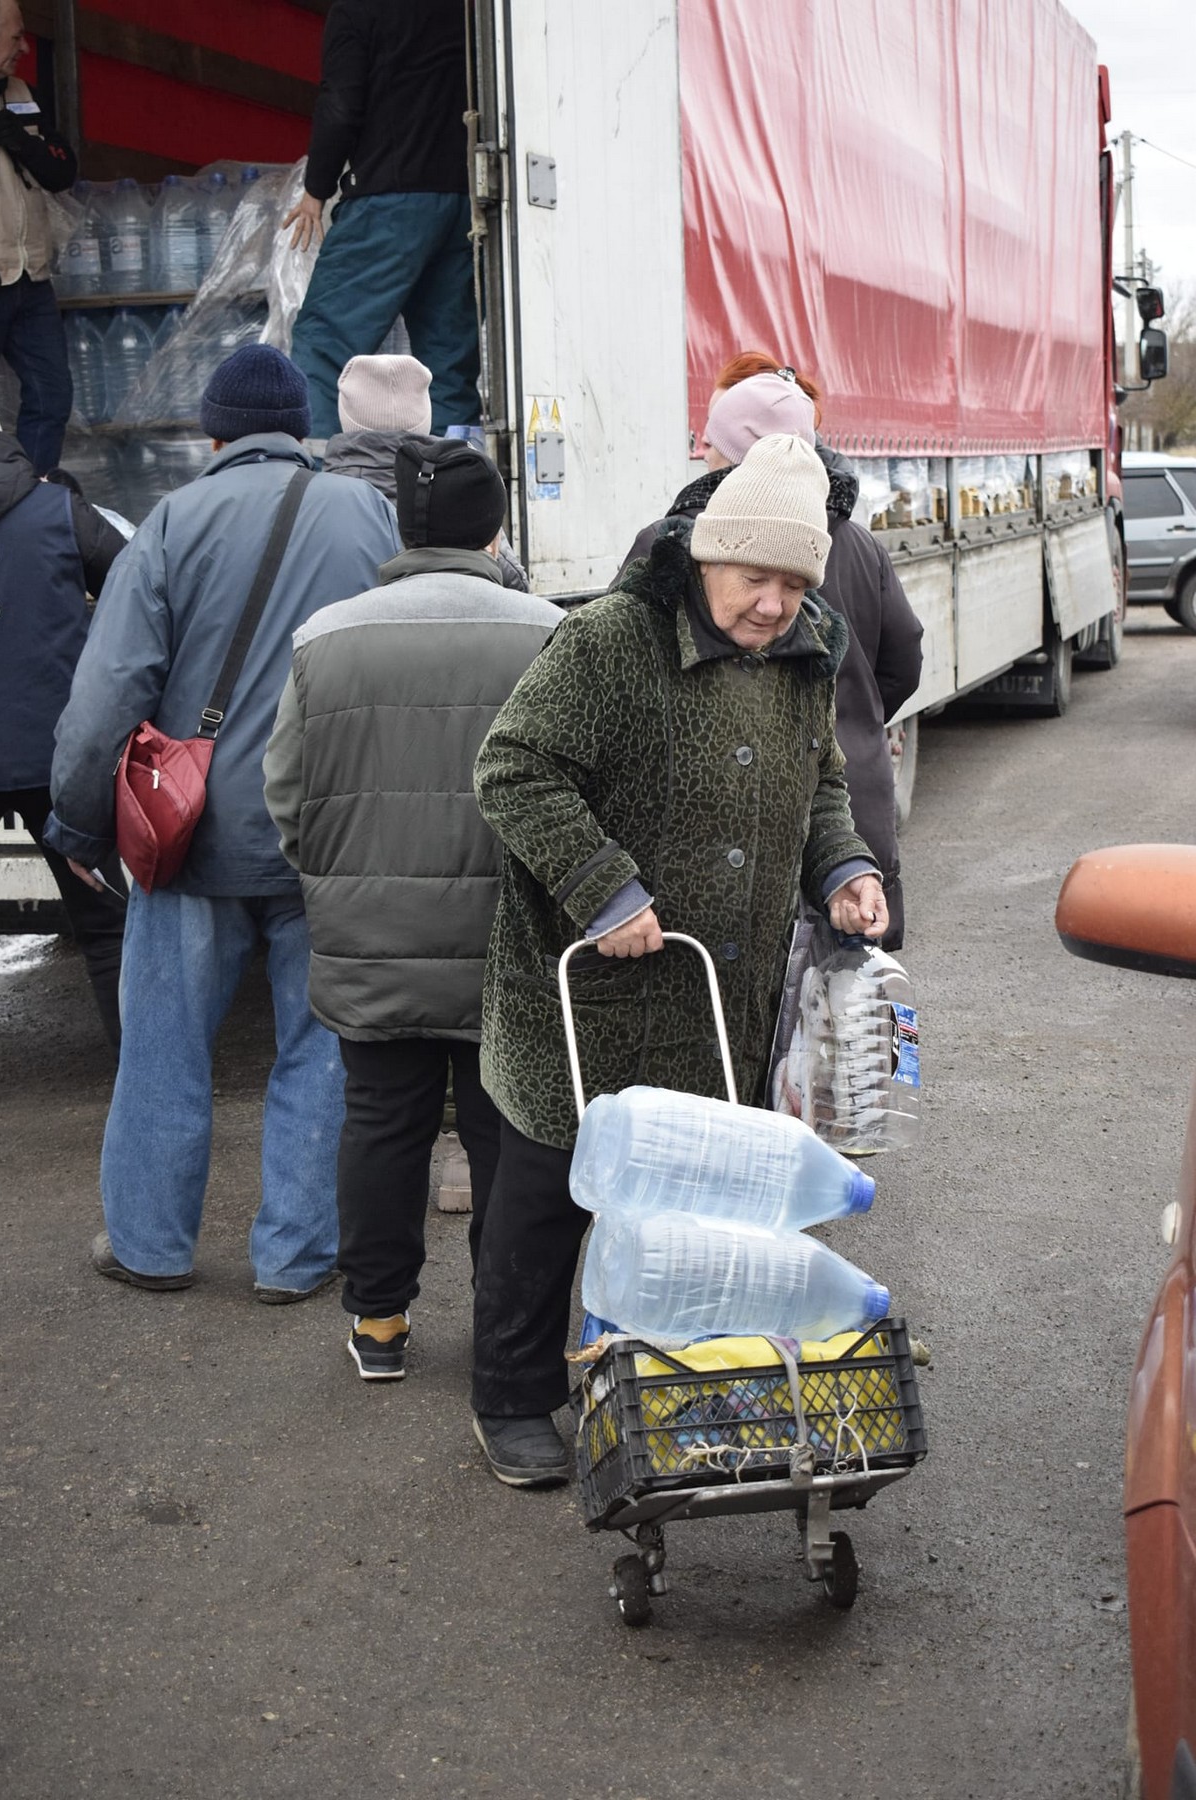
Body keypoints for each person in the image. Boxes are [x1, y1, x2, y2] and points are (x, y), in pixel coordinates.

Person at [469, 433, 888, 1486]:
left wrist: (841, 867)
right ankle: (513, 1396)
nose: (773, 605)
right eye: (758, 578)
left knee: (692, 1211)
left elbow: (821, 781)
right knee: (552, 1194)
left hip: (717, 993)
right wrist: (602, 886)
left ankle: (656, 1377)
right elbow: (512, 767)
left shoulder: (808, 649)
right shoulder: (611, 642)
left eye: (795, 584)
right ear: (709, 555)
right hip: (587, 993)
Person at [44, 345, 402, 1300]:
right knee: (319, 1051)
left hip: (192, 835)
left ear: (213, 432)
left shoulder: (172, 522)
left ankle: (151, 1247)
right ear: (300, 429)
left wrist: (79, 828)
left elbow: (108, 692)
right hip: (328, 833)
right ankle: (295, 1256)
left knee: (163, 1046)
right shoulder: (366, 513)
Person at [263, 434, 563, 1379]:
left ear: (403, 523)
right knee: (501, 1129)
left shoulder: (326, 638)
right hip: (505, 941)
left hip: (370, 938)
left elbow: (286, 798)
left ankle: (381, 1324)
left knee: (381, 1123)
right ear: (496, 528)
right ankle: (503, 1324)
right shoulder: (547, 632)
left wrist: (338, 881)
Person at [621, 356, 924, 947]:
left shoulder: (668, 542)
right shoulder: (858, 542)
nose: (771, 604)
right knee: (844, 1015)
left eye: (713, 442)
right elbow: (904, 657)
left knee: (749, 1017)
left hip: (741, 831)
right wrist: (856, 722)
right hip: (855, 801)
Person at [285, 0, 480, 440]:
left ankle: (316, 485)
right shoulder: (465, 12)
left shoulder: (357, 10)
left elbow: (340, 104)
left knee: (324, 345)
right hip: (462, 200)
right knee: (449, 360)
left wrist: (316, 189)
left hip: (388, 203)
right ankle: (461, 484)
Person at [0, 423, 128, 1050]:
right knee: (104, 928)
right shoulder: (59, 511)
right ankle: (142, 1083)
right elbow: (138, 597)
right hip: (57, 754)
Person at [322, 352, 528, 590]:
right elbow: (516, 582)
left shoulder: (315, 503)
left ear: (345, 417)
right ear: (424, 419)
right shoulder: (462, 497)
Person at [0, 0, 77, 474]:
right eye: (14, 36)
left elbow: (63, 168)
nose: (25, 46)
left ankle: (26, 505)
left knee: (51, 397)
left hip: (31, 277)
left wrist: (22, 142)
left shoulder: (22, 92)